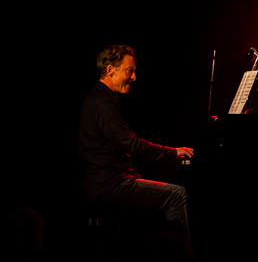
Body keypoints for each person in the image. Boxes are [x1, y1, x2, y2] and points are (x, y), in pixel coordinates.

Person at [78, 44, 194, 237]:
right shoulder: (102, 102)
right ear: (110, 70)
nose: (134, 77)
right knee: (177, 195)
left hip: (105, 182)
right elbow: (131, 144)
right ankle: (179, 253)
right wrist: (173, 153)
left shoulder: (100, 98)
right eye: (129, 71)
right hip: (107, 185)